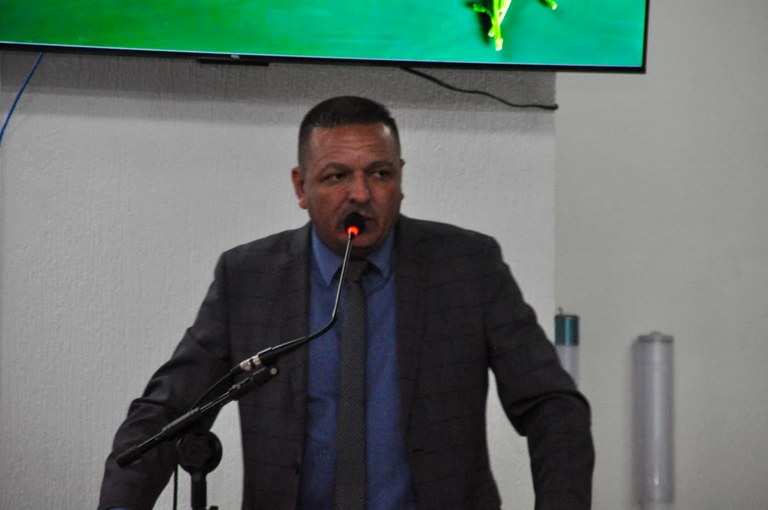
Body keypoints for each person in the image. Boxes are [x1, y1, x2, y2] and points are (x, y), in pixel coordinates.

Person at [99, 96, 594, 510]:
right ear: (301, 187)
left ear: (400, 178)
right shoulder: (248, 277)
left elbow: (552, 405)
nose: (361, 193)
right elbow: (168, 412)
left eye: (379, 173)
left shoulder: (467, 266)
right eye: (336, 177)